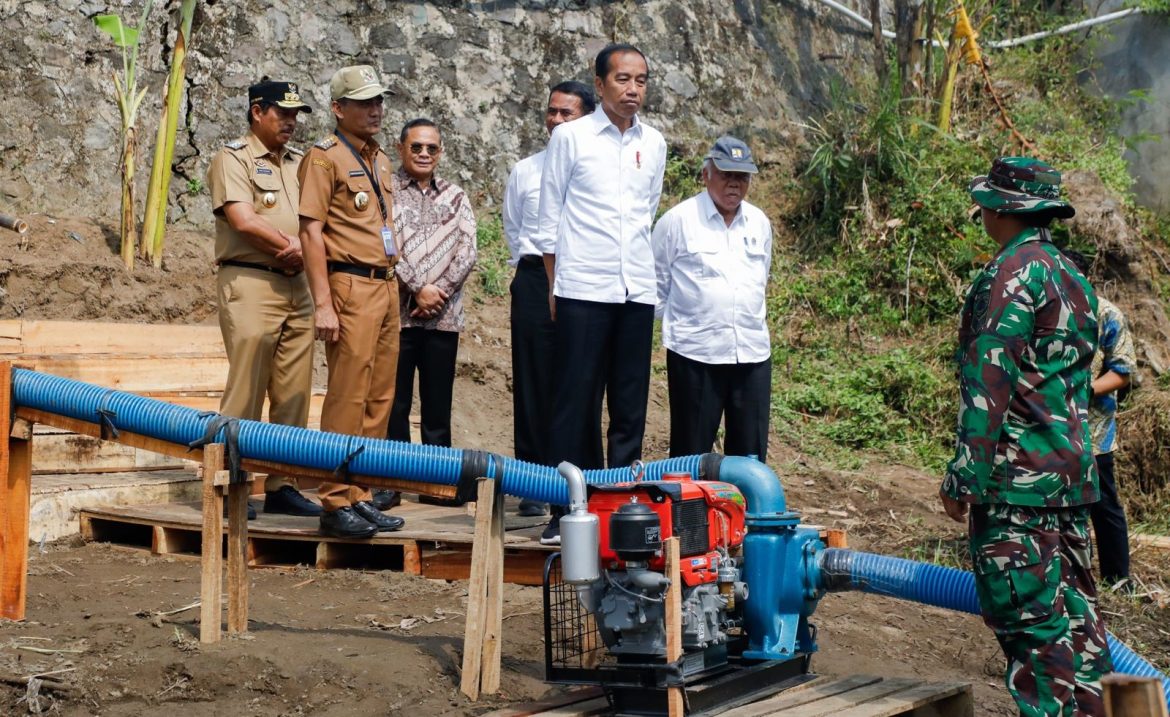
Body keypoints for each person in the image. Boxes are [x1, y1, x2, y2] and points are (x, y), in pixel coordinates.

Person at [940, 157, 1112, 716]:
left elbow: (990, 380)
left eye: (988, 203)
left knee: (1035, 638)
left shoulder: (1010, 275)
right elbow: (1074, 386)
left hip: (1016, 491)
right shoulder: (1074, 277)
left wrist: (965, 476)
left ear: (1004, 209)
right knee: (1081, 639)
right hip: (1071, 486)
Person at [534, 44, 667, 544]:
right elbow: (549, 219)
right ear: (601, 82)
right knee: (575, 400)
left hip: (635, 288)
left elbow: (645, 215)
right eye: (623, 79)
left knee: (629, 403)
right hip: (583, 287)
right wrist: (553, 286)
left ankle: (622, 509)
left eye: (641, 80)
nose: (633, 89)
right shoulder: (570, 138)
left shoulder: (654, 143)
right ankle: (565, 508)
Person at [298, 65, 405, 538]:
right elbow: (310, 231)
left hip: (385, 284)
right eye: (364, 102)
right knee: (347, 394)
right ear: (338, 109)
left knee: (380, 396)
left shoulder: (379, 159)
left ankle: (361, 491)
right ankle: (334, 498)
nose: (375, 109)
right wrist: (323, 303)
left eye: (379, 100)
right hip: (350, 284)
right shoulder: (324, 159)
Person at [205, 79, 320, 520]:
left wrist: (303, 252)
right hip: (252, 280)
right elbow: (243, 219)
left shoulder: (301, 163)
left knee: (293, 391)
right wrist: (292, 246)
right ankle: (229, 484)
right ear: (258, 111)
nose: (291, 122)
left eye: (296, 114)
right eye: (283, 113)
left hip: (298, 285)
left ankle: (282, 483)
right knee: (247, 386)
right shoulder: (233, 158)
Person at [502, 81, 595, 518]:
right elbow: (514, 229)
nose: (556, 120)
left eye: (567, 113)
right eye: (552, 111)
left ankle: (584, 479)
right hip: (537, 277)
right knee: (533, 380)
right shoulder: (526, 170)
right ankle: (534, 483)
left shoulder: (596, 171)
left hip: (583, 279)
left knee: (580, 380)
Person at [652, 136, 773, 461]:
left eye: (742, 177)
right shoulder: (678, 221)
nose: (734, 184)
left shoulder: (759, 222)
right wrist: (689, 323)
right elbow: (656, 286)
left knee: (750, 456)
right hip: (696, 354)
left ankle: (744, 512)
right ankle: (689, 513)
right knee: (690, 453)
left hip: (751, 354)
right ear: (707, 175)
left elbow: (761, 278)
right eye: (726, 174)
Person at [386, 119, 477, 504]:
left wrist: (437, 292)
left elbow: (468, 248)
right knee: (396, 403)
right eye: (417, 147)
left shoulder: (456, 196)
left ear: (441, 152)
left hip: (444, 318)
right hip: (398, 315)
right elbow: (384, 240)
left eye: (432, 148)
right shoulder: (386, 192)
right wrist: (415, 288)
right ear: (401, 147)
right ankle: (392, 482)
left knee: (437, 404)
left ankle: (437, 482)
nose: (424, 154)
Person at [1065, 252, 1136, 590]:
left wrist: (1087, 390)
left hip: (1094, 428)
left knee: (1103, 502)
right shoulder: (1050, 307)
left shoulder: (1106, 314)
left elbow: (1122, 371)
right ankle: (1072, 574)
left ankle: (1118, 578)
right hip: (1053, 427)